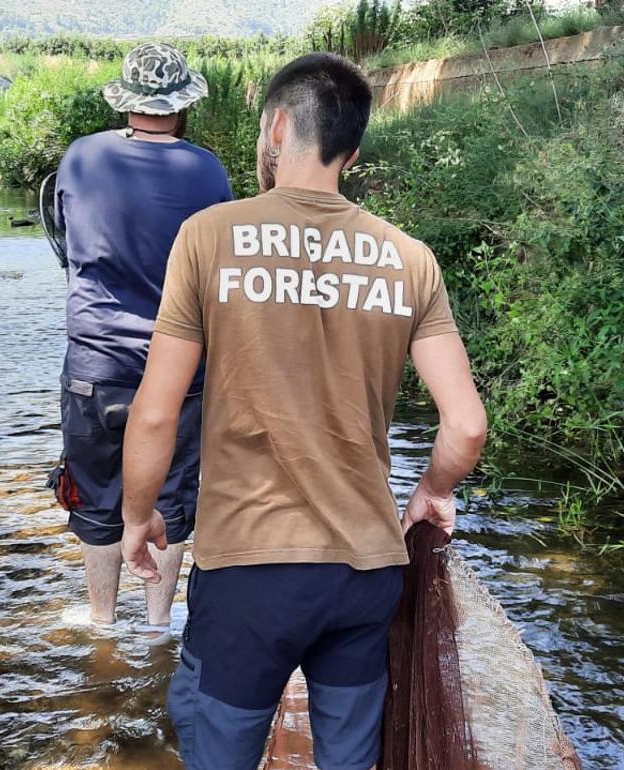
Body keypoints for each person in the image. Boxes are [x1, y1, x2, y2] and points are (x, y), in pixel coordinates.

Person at [120, 53, 487, 770]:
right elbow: (466, 424)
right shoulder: (409, 259)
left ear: (277, 127)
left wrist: (138, 518)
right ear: (351, 151)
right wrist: (434, 493)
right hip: (366, 570)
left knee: (217, 744)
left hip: (250, 571)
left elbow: (157, 414)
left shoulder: (209, 236)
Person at [50, 42, 232, 639]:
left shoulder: (80, 158)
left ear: (125, 101)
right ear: (182, 106)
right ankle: (158, 623)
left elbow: (68, 242)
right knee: (173, 494)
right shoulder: (207, 170)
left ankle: (102, 620)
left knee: (97, 493)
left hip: (95, 362)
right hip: (180, 367)